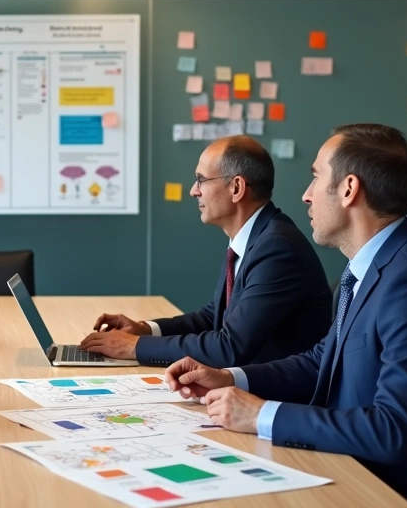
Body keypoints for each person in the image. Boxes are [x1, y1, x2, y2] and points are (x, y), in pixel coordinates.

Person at [164, 124, 407, 508]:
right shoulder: (369, 269)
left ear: (348, 189)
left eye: (315, 177)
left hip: (397, 502)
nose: (306, 195)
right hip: (346, 469)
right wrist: (229, 377)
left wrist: (260, 414)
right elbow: (319, 362)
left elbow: (391, 429)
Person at [81, 136, 331, 367]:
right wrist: (146, 330)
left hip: (275, 393)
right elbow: (213, 318)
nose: (194, 190)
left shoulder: (277, 248)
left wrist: (135, 347)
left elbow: (229, 347)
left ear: (236, 188)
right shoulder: (254, 237)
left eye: (201, 180)